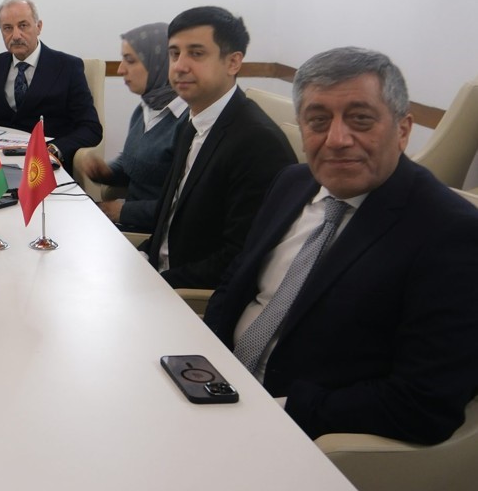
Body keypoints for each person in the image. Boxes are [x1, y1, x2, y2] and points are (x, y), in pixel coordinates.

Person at [205, 48, 478, 444]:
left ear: (403, 130)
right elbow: (236, 282)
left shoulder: (450, 232)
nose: (337, 140)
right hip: (217, 389)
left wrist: (279, 411)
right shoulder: (291, 183)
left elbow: (424, 403)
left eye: (360, 119)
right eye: (318, 120)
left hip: (302, 433)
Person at [140, 6, 296, 289]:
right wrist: (137, 260)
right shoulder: (192, 122)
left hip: (189, 297)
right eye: (174, 54)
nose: (180, 66)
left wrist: (156, 284)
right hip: (161, 276)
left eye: (196, 53)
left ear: (233, 62)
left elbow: (239, 258)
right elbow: (169, 223)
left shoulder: (258, 143)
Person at [0, 0, 102, 165]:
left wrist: (54, 150)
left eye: (23, 25)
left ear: (39, 27)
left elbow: (90, 128)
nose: (16, 35)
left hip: (46, 165)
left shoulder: (67, 67)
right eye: (7, 28)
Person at [82, 23, 189, 233]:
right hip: (129, 222)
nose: (120, 69)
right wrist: (106, 172)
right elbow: (137, 163)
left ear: (158, 62)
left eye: (130, 60)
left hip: (154, 234)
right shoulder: (145, 108)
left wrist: (122, 211)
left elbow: (186, 207)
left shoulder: (188, 121)